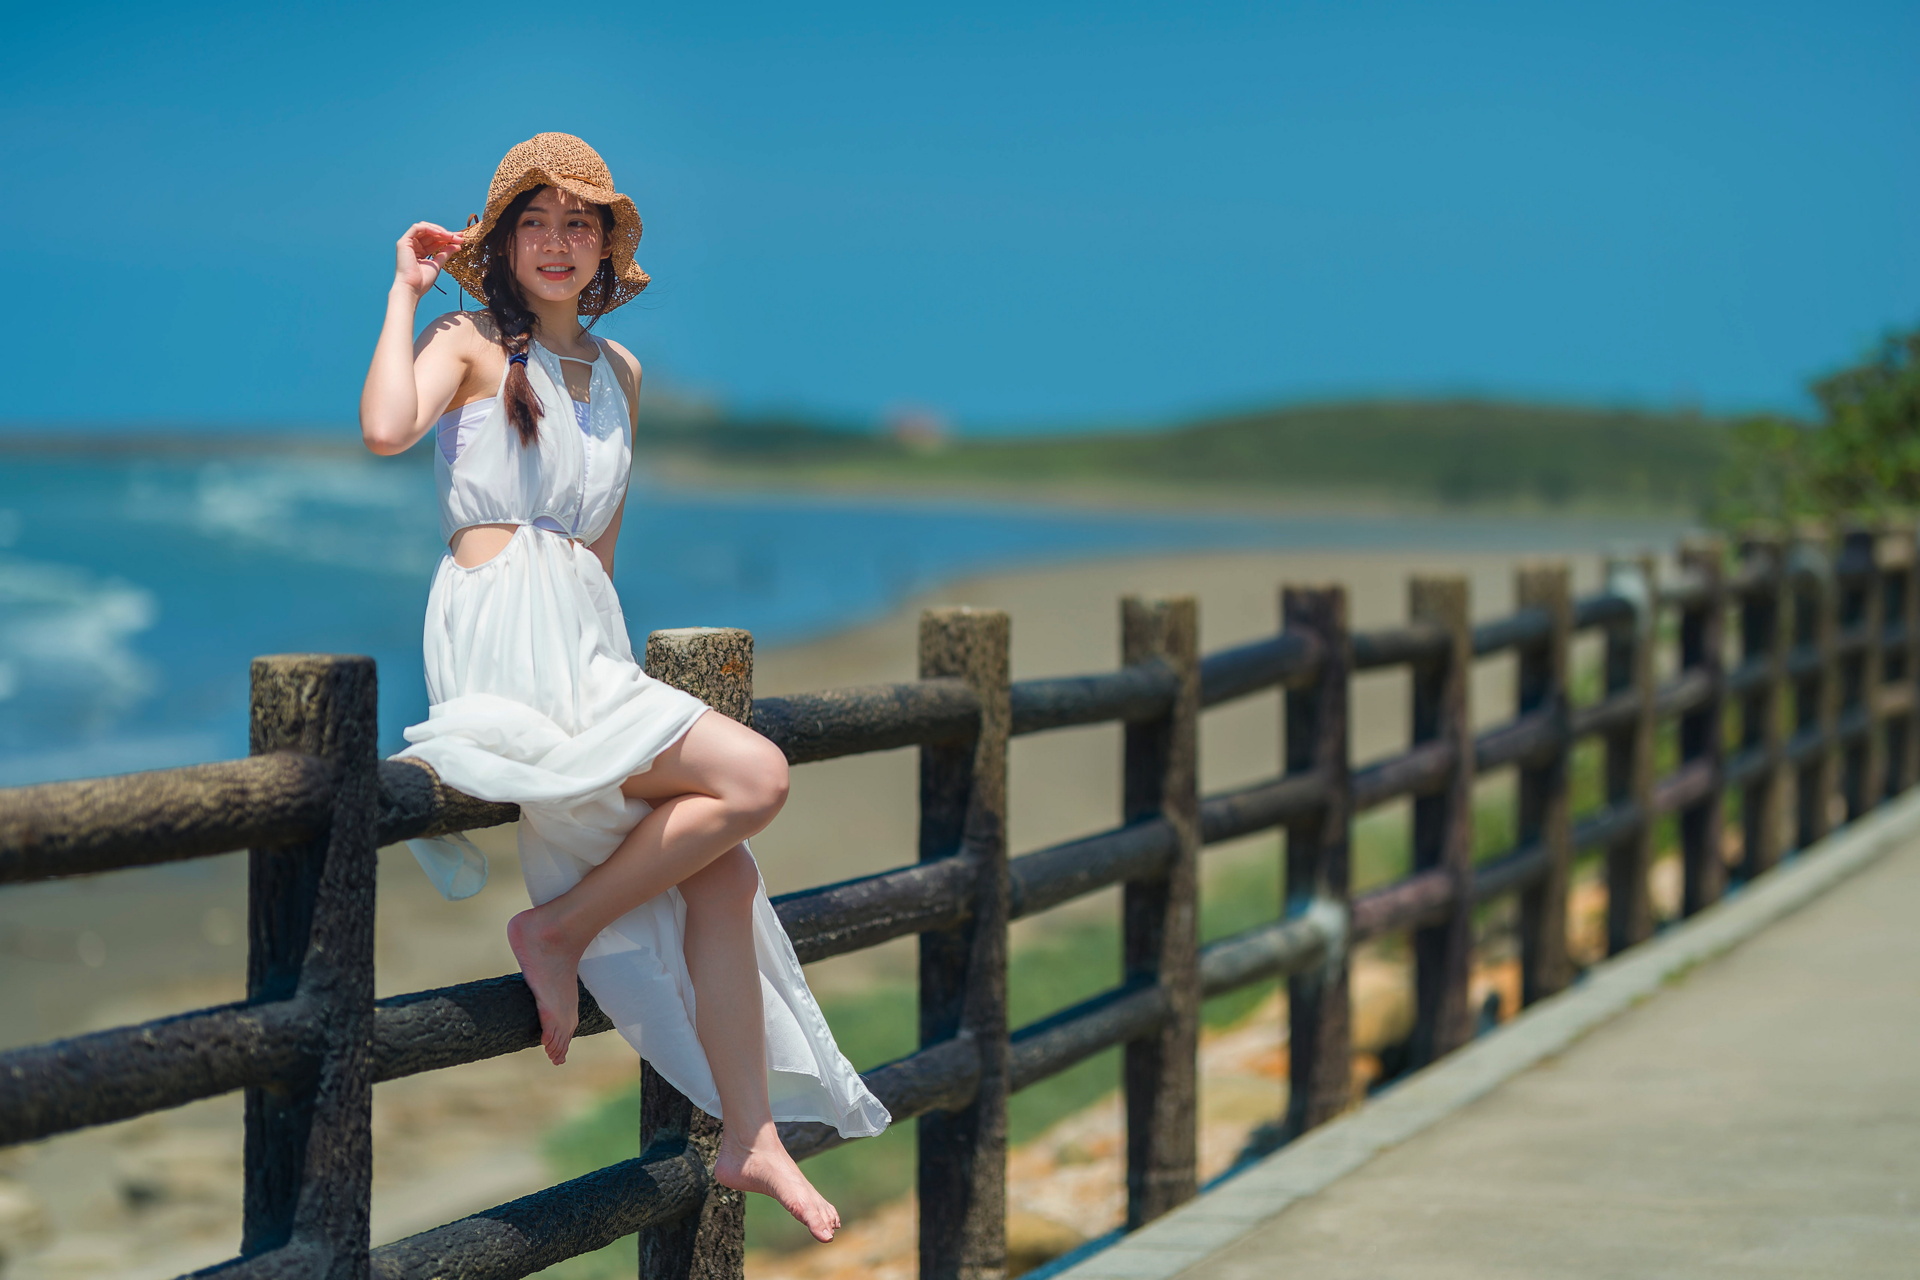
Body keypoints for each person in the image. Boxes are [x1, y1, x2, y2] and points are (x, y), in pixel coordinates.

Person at [358, 132, 886, 1243]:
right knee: (756, 773)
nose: (558, 242)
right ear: (501, 242)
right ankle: (556, 931)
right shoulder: (463, 341)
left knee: (724, 862)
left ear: (605, 245)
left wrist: (620, 676)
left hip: (585, 639)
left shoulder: (623, 374)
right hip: (500, 631)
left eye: (579, 221)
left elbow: (598, 551)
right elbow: (382, 429)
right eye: (536, 222)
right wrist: (404, 293)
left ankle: (749, 1131)